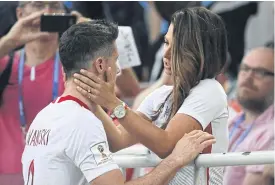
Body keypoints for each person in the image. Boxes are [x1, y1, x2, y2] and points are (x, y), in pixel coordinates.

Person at [21, 20, 216, 185]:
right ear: (100, 65)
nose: (119, 70)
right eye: (115, 60)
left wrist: (102, 100)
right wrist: (175, 160)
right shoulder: (82, 122)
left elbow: (118, 140)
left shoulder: (44, 116)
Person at [73, 7, 229, 185]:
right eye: (166, 42)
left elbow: (166, 145)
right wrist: (95, 99)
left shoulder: (210, 89)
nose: (166, 54)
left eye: (176, 47)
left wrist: (112, 102)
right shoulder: (161, 95)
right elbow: (117, 140)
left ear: (200, 51)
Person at [0, 2, 66, 174]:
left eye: (55, 7)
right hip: (9, 175)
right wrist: (9, 41)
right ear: (20, 14)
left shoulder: (75, 67)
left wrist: (96, 42)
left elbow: (128, 91)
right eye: (38, 5)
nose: (47, 12)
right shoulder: (5, 64)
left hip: (60, 175)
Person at [223, 47, 274, 185]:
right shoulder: (232, 121)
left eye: (260, 73)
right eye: (245, 68)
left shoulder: (271, 133)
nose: (248, 77)